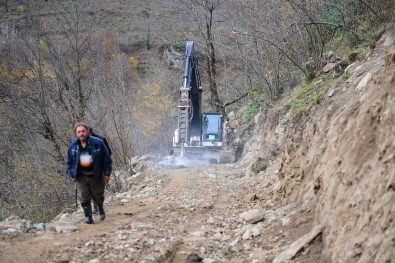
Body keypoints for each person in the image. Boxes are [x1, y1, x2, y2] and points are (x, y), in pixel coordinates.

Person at [66, 122, 112, 224]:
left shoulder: (98, 142)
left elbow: (106, 159)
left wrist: (107, 173)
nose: (81, 133)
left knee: (98, 195)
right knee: (84, 197)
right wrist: (72, 173)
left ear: (87, 131)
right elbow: (69, 161)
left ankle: (100, 207)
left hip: (96, 174)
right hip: (81, 175)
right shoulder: (72, 145)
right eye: (79, 132)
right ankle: (88, 217)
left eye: (83, 131)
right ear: (76, 134)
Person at [88, 127, 112, 214]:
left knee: (99, 188)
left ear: (90, 131)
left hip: (99, 167)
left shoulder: (100, 139)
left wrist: (106, 170)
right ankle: (95, 206)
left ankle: (98, 205)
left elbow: (108, 153)